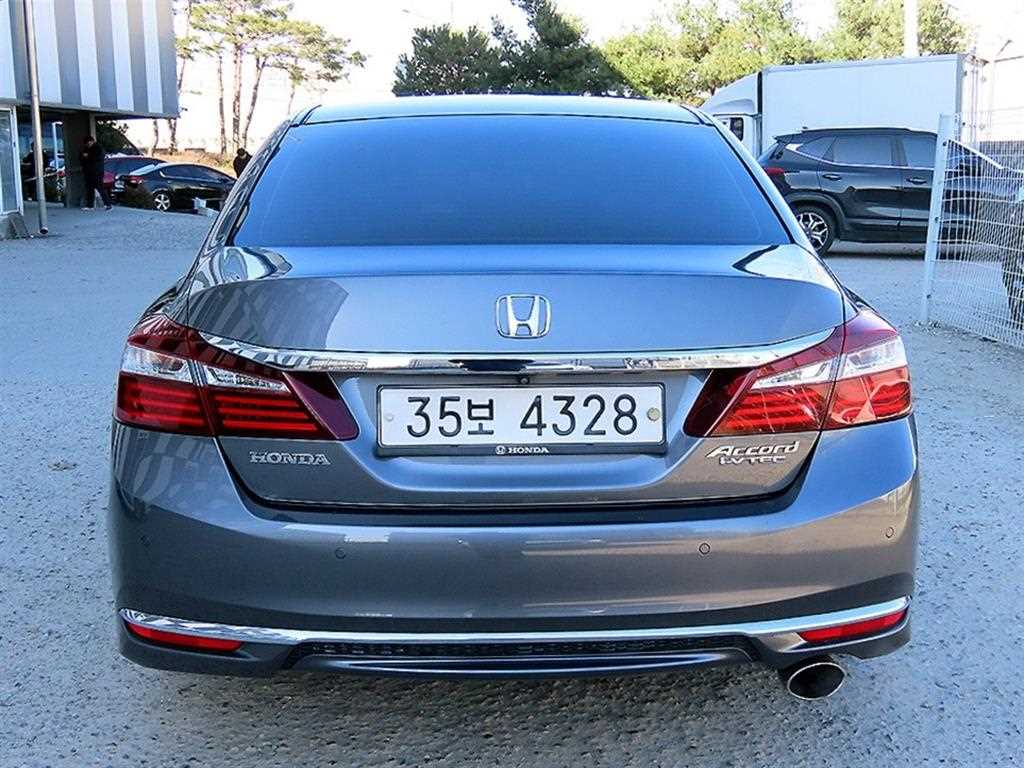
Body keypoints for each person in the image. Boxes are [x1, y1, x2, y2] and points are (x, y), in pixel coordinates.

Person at [80, 135, 112, 211]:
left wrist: (88, 156)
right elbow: (81, 157)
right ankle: (90, 206)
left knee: (100, 187)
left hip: (97, 171)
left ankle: (108, 204)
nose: (88, 145)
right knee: (89, 188)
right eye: (87, 144)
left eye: (89, 143)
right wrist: (84, 157)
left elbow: (97, 158)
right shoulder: (86, 149)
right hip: (88, 171)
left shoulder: (98, 148)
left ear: (92, 141)